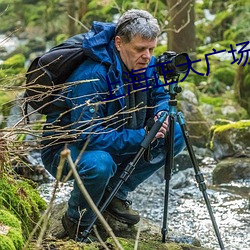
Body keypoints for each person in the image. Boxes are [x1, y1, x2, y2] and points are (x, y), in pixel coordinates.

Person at [41, 9, 185, 241]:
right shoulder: (92, 75)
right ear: (119, 43)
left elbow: (160, 95)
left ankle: (115, 193)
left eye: (152, 49)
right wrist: (142, 135)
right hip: (67, 150)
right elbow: (87, 136)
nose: (147, 56)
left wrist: (161, 114)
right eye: (140, 49)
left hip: (117, 136)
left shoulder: (144, 64)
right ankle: (76, 221)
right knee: (100, 164)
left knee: (175, 131)